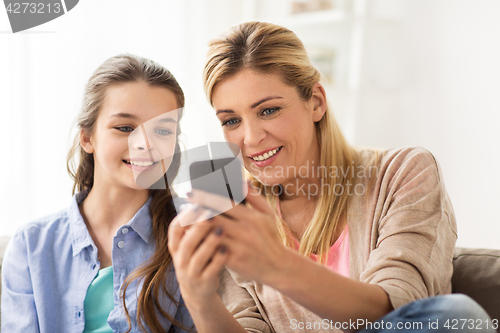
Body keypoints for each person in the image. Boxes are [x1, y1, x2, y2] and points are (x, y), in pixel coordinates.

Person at [167, 22, 496, 333]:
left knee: (456, 315)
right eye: (231, 121)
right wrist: (199, 297)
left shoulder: (402, 173)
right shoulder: (232, 213)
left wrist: (277, 265)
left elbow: (403, 311)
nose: (250, 138)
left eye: (268, 110)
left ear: (316, 103)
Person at [1, 54, 195, 333]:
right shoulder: (31, 246)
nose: (146, 144)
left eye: (162, 130)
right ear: (87, 138)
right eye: (125, 128)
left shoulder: (194, 232)